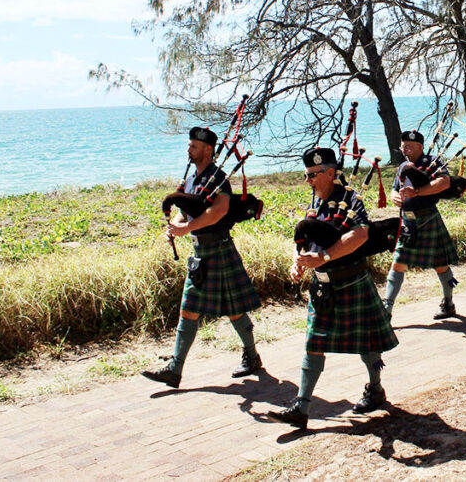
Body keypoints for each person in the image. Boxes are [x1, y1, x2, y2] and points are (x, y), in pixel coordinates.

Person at [268, 148, 398, 429]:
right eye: (306, 175)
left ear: (329, 173)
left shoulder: (350, 200)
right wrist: (299, 262)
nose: (307, 181)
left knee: (367, 343)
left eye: (312, 175)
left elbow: (360, 234)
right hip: (322, 287)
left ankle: (375, 389)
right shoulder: (317, 201)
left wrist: (324, 258)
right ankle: (301, 408)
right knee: (313, 344)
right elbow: (303, 238)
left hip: (351, 280)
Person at [142, 127, 262, 389]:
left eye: (193, 146)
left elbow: (219, 211)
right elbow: (185, 212)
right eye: (189, 145)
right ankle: (176, 370)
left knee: (232, 310)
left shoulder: (218, 178)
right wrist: (176, 227)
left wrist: (186, 228)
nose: (189, 150)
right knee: (191, 309)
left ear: (208, 150)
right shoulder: (192, 179)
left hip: (218, 249)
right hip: (200, 252)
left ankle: (250, 357)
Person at [383, 130, 459, 320]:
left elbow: (444, 182)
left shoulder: (432, 162)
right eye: (403, 146)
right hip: (408, 222)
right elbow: (395, 189)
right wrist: (393, 195)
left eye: (409, 145)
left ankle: (448, 302)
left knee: (440, 266)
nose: (405, 149)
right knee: (398, 263)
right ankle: (387, 310)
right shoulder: (402, 166)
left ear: (420, 147)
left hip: (428, 219)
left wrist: (417, 192)